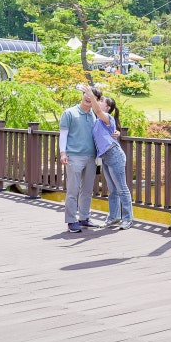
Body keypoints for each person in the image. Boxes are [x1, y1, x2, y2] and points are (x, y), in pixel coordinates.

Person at [84, 87, 133, 229]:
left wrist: (90, 95)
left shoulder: (107, 117)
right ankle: (114, 217)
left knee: (122, 188)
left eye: (101, 101)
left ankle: (128, 218)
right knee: (113, 189)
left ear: (108, 107)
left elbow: (98, 111)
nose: (98, 103)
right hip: (105, 156)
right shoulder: (97, 120)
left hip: (114, 154)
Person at [60, 85, 102, 233]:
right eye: (86, 94)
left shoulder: (94, 115)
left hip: (91, 157)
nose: (88, 98)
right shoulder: (69, 113)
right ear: (83, 94)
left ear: (96, 101)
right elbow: (63, 134)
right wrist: (63, 153)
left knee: (87, 190)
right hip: (74, 156)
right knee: (73, 190)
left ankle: (84, 217)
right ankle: (71, 220)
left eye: (92, 97)